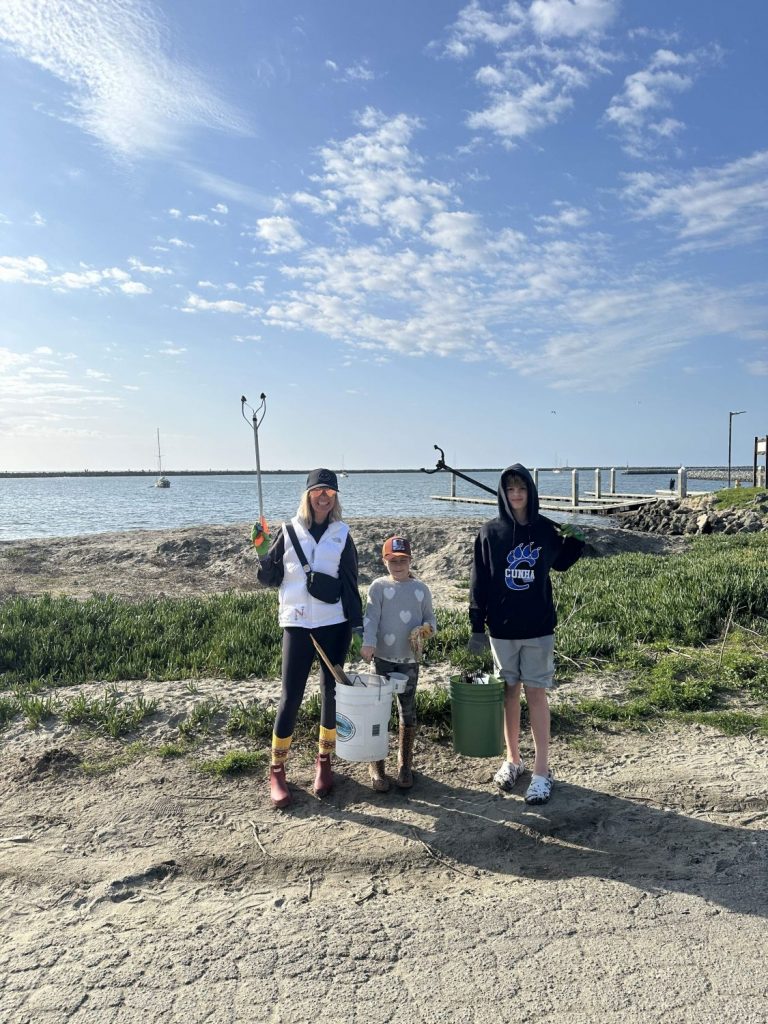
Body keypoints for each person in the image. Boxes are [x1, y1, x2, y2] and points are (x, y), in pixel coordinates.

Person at [468, 464, 584, 805]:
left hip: (538, 627)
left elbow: (560, 562)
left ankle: (541, 770)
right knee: (508, 693)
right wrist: (477, 624)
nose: (516, 495)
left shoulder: (544, 531)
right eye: (510, 489)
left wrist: (574, 538)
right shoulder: (490, 532)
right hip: (502, 629)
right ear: (503, 494)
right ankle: (513, 759)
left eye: (522, 488)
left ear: (531, 492)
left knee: (536, 694)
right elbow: (480, 580)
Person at [256, 468, 363, 809]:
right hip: (298, 625)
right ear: (307, 495)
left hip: (334, 624)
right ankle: (276, 769)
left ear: (335, 499)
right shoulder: (288, 531)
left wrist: (359, 627)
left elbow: (349, 582)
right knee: (291, 696)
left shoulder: (342, 534)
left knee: (331, 693)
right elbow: (269, 579)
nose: (323, 497)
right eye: (318, 491)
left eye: (329, 493)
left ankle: (324, 762)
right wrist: (261, 551)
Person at [361, 536, 436, 792]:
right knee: (378, 712)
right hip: (381, 659)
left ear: (410, 560)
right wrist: (368, 643)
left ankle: (405, 764)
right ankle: (376, 765)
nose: (398, 565)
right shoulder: (378, 587)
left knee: (407, 710)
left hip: (409, 661)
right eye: (393, 560)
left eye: (403, 560)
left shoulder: (421, 589)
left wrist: (425, 631)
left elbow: (431, 621)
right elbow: (370, 619)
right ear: (385, 561)